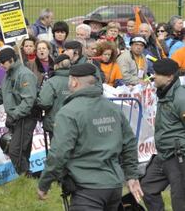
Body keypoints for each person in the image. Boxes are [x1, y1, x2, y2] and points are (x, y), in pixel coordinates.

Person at [37, 63, 143, 209]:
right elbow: (129, 143)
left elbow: (59, 152)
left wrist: (44, 183)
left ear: (73, 82)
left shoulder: (69, 112)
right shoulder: (112, 108)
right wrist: (131, 176)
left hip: (87, 189)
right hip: (114, 186)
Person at [0, 48, 37, 175]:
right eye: (0, 63)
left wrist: (14, 115)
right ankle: (26, 178)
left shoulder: (24, 74)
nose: (1, 65)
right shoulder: (8, 74)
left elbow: (28, 100)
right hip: (16, 117)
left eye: (4, 62)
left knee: (15, 150)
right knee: (20, 150)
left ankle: (26, 177)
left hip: (25, 117)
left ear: (11, 60)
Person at [140, 58, 185, 211]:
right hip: (163, 154)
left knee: (180, 200)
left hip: (178, 155)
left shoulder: (180, 98)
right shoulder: (164, 93)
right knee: (147, 187)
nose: (153, 76)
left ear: (169, 77)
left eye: (157, 73)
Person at [36, 54, 71, 140]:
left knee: (58, 151)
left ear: (56, 66)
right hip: (75, 122)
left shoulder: (52, 82)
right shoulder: (78, 79)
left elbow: (44, 102)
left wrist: (37, 100)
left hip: (56, 123)